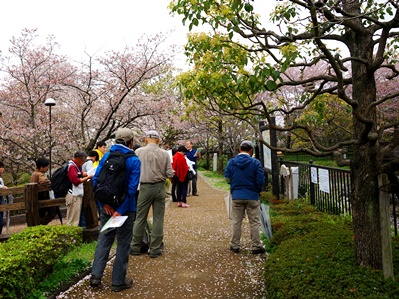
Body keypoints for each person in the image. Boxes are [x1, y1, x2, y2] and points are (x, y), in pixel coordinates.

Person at [90, 127, 140, 292]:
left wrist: (104, 205)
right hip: (126, 209)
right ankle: (118, 282)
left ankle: (96, 277)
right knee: (123, 244)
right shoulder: (134, 160)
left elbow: (96, 181)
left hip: (107, 209)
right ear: (130, 141)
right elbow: (132, 189)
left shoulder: (106, 157)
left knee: (104, 240)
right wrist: (121, 209)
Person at [130, 130, 174, 258]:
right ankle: (155, 248)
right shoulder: (164, 153)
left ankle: (135, 247)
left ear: (145, 139)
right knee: (158, 218)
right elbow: (170, 173)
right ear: (159, 140)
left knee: (140, 218)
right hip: (159, 187)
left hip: (144, 187)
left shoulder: (138, 152)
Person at [224, 140, 266, 254]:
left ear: (239, 149)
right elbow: (260, 180)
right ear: (251, 150)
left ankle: (235, 245)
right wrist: (258, 190)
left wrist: (233, 185)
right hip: (252, 195)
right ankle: (256, 246)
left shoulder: (232, 162)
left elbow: (227, 177)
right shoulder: (255, 162)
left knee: (236, 221)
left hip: (237, 195)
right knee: (254, 222)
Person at [65, 151, 93, 226]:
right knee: (72, 220)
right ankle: (71, 237)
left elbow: (80, 173)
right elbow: (75, 181)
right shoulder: (72, 166)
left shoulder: (75, 166)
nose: (83, 162)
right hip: (73, 195)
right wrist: (88, 177)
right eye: (83, 160)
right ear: (77, 158)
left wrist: (89, 173)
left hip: (76, 195)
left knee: (75, 219)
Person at [30, 157, 56, 225]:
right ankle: (41, 224)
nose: (47, 168)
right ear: (41, 167)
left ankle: (40, 225)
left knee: (42, 214)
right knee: (51, 212)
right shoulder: (38, 174)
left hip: (37, 198)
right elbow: (45, 181)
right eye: (46, 167)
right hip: (40, 198)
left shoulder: (35, 173)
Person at [0, 162, 8, 234]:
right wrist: (2, 187)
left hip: (1, 201)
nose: (3, 169)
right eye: (2, 167)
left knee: (1, 221)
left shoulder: (1, 179)